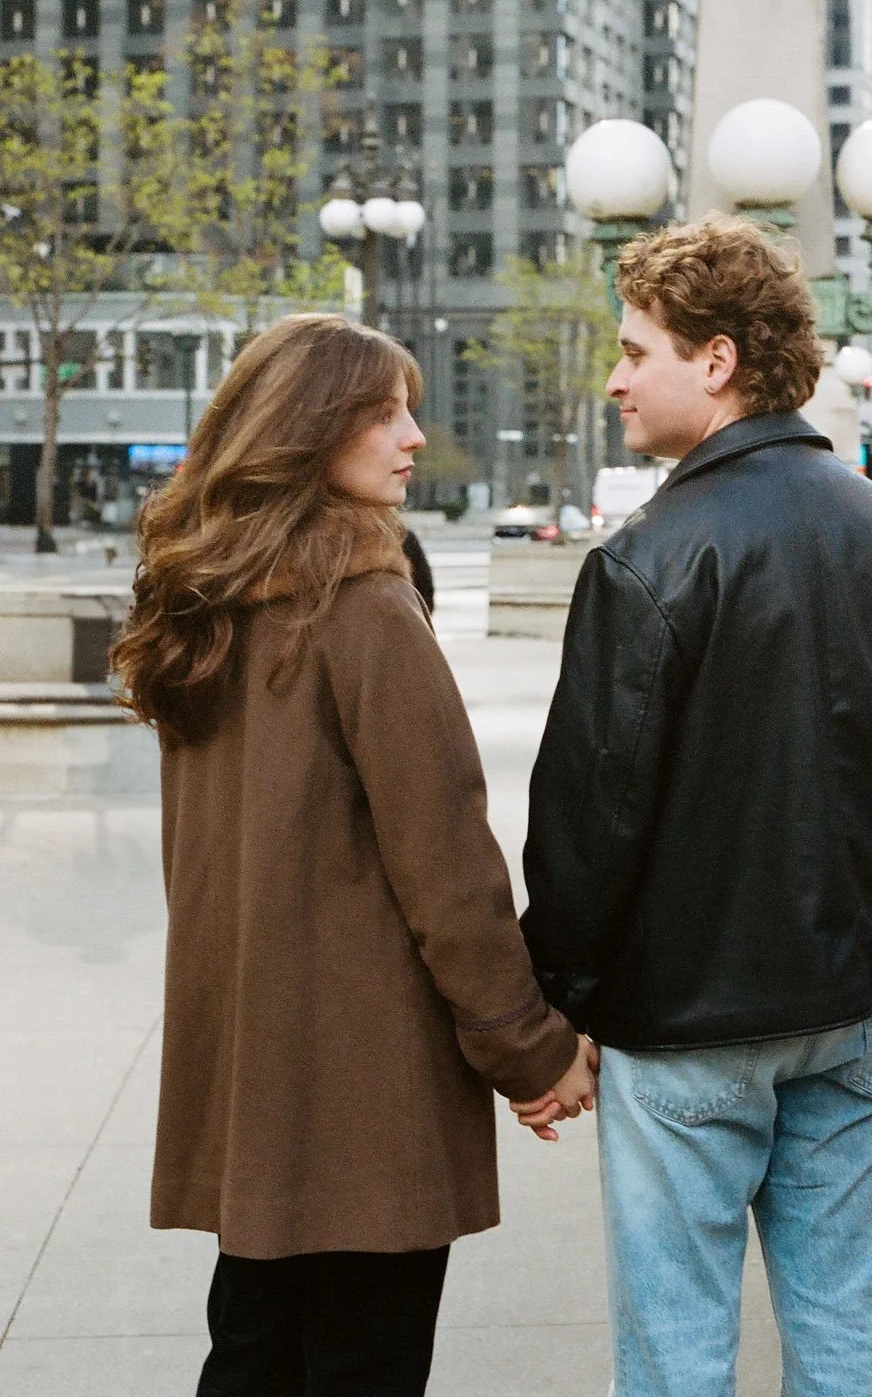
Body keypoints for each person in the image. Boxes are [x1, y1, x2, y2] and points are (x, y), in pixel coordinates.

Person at [110, 313, 595, 1397]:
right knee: (360, 1358)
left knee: (253, 1345)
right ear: (306, 428)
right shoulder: (362, 606)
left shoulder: (203, 600)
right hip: (361, 1075)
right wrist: (530, 1049)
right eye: (382, 413)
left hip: (254, 1053)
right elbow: (449, 866)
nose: (413, 435)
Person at [512, 218, 872, 1397]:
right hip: (856, 1003)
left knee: (676, 1349)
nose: (613, 376)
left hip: (688, 1019)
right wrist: (866, 929)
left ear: (715, 360)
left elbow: (587, 825)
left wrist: (559, 1007)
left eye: (633, 349)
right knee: (844, 1320)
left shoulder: (647, 557)